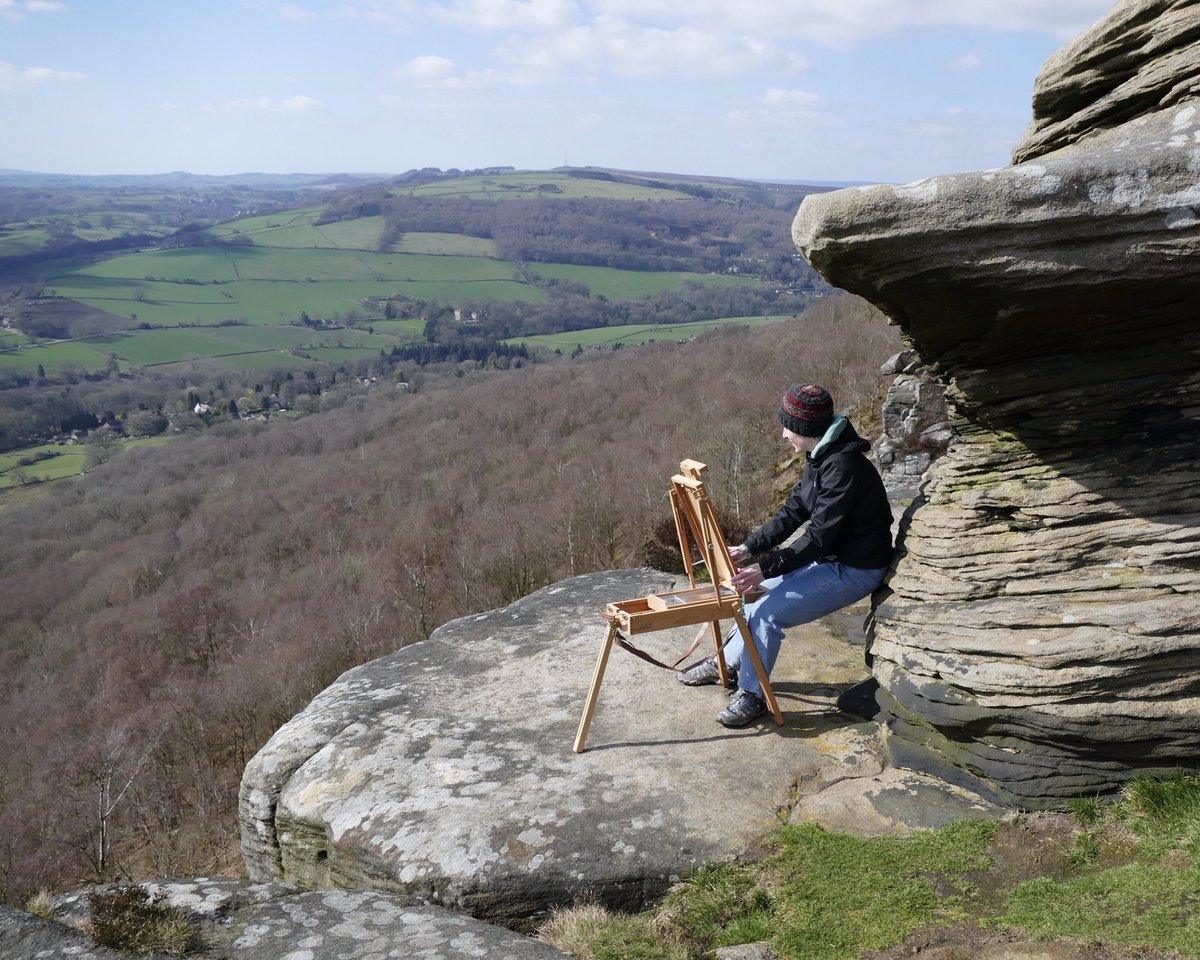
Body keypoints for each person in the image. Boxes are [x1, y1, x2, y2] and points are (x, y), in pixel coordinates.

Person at [677, 383, 894, 727]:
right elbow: (793, 510)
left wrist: (764, 568)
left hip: (855, 568)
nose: (783, 434)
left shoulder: (842, 467)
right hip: (830, 559)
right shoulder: (821, 456)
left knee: (768, 613)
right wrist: (749, 547)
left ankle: (752, 695)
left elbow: (818, 538)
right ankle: (728, 665)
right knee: (751, 599)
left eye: (788, 427)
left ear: (807, 429)